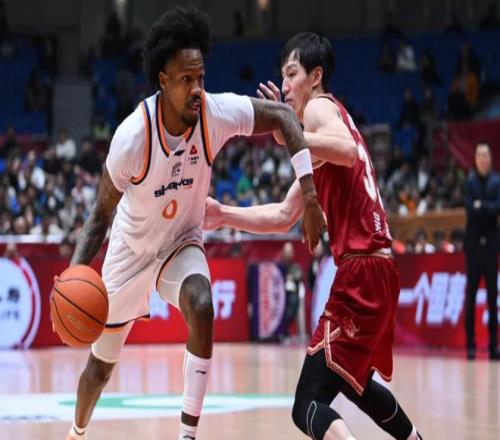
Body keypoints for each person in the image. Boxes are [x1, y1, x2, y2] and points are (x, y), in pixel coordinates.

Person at [63, 7, 325, 440]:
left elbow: (282, 116)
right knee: (99, 370)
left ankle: (187, 435)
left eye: (200, 77)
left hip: (180, 242)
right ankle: (76, 432)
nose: (197, 88)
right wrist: (74, 274)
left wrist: (310, 195)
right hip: (130, 251)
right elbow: (100, 214)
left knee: (202, 305)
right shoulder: (133, 136)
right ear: (163, 81)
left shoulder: (214, 113)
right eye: (186, 79)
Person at [204, 32, 422, 440]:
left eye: (292, 74)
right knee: (355, 383)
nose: (284, 85)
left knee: (306, 402)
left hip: (361, 271)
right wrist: (223, 215)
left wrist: (291, 134)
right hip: (378, 270)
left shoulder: (320, 107)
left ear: (316, 76)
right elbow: (284, 214)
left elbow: (347, 150)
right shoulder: (317, 147)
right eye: (282, 76)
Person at [463, 142, 500, 361]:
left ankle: (494, 345)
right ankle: (470, 345)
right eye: (479, 156)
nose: (483, 159)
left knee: (492, 298)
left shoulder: (497, 181)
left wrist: (482, 207)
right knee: (471, 296)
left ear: (490, 158)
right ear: (475, 159)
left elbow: (497, 208)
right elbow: (470, 210)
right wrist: (486, 208)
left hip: (492, 248)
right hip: (474, 248)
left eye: (486, 155)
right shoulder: (469, 182)